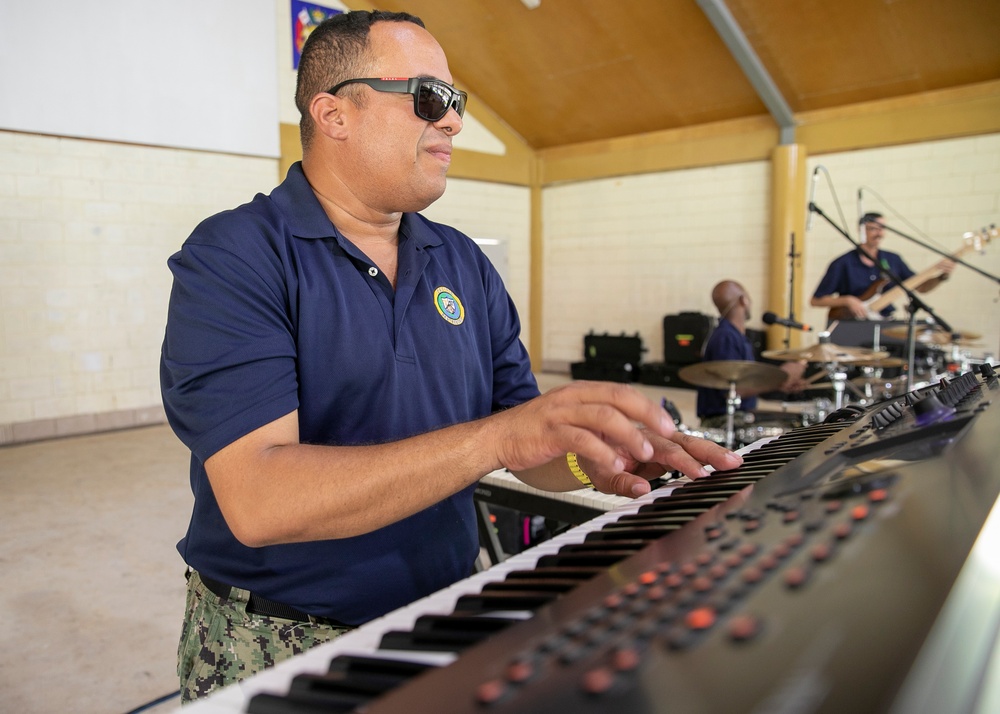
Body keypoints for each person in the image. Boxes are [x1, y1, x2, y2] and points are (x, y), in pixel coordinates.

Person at [159, 10, 741, 701]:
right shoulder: (237, 255)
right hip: (279, 640)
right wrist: (497, 437)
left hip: (440, 616)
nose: (455, 122)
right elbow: (259, 500)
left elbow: (530, 443)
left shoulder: (461, 263)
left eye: (457, 102)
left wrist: (594, 452)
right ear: (334, 113)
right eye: (430, 98)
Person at [696, 280, 807, 425]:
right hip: (724, 420)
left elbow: (744, 383)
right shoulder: (726, 338)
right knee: (794, 427)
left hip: (740, 415)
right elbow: (733, 390)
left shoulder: (735, 336)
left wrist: (781, 385)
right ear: (743, 300)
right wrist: (779, 377)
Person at [810, 212, 954, 321]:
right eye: (873, 229)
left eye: (882, 229)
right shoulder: (843, 263)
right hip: (852, 324)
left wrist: (941, 276)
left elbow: (920, 287)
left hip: (883, 321)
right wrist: (848, 300)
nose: (879, 233)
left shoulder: (893, 260)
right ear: (861, 231)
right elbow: (815, 300)